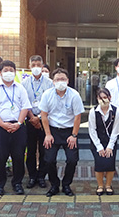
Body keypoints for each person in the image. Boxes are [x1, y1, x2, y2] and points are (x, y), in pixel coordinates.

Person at [0, 60, 32, 195]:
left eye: (11, 70)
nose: (8, 73)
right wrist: (3, 124)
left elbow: (25, 106)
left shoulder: (20, 88)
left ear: (15, 72)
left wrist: (18, 123)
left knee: (18, 156)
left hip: (18, 127)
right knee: (0, 157)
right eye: (5, 70)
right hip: (0, 127)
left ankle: (17, 183)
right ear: (0, 73)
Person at [40, 68, 85, 197]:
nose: (60, 82)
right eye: (58, 79)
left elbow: (78, 117)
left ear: (68, 81)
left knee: (72, 160)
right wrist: (47, 134)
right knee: (48, 160)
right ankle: (54, 184)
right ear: (53, 82)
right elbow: (44, 115)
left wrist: (74, 135)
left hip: (69, 131)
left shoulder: (74, 95)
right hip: (52, 130)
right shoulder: (47, 94)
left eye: (63, 79)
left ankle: (66, 184)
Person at [21, 55, 53, 189]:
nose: (35, 67)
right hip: (29, 119)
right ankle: (32, 176)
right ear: (29, 66)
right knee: (31, 150)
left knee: (44, 150)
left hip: (44, 120)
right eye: (33, 65)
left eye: (38, 65)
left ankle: (41, 176)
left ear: (42, 66)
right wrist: (32, 117)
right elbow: (24, 102)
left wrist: (39, 118)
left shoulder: (49, 83)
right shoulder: (24, 83)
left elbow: (51, 102)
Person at [88, 88, 119, 196]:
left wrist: (110, 146)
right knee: (100, 162)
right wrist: (99, 146)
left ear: (110, 98)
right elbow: (92, 130)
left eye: (105, 97)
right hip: (97, 141)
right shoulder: (93, 111)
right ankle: (100, 185)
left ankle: (108, 185)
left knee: (110, 163)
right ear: (97, 99)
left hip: (111, 141)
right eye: (100, 98)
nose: (103, 100)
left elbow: (116, 130)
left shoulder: (116, 111)